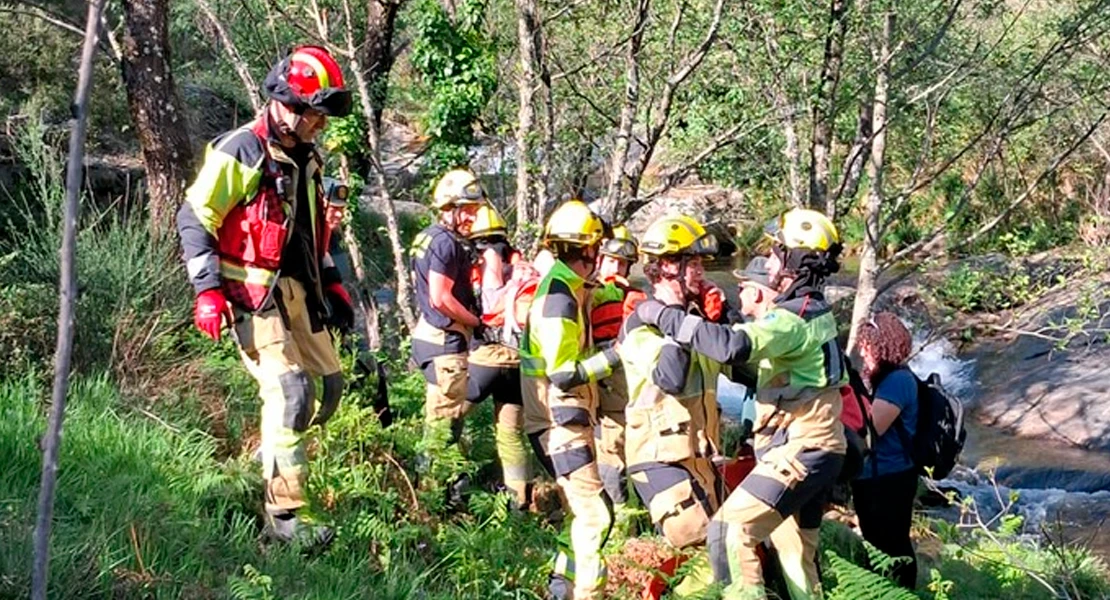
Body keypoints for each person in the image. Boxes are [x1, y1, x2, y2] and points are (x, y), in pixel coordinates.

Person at [176, 45, 353, 545]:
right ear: (288, 104)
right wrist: (207, 291)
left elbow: (311, 232)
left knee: (329, 389)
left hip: (300, 290)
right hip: (251, 295)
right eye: (315, 113)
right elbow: (194, 217)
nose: (321, 123)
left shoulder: (308, 157)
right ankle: (286, 517)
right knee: (292, 391)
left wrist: (333, 281)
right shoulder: (242, 150)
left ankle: (271, 458)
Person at [634, 208, 848, 599]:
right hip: (817, 449)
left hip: (801, 450)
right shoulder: (814, 310)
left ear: (796, 262)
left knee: (729, 531)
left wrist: (664, 316)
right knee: (796, 554)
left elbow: (733, 347)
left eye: (776, 253)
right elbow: (752, 367)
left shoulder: (791, 318)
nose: (768, 261)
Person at [521, 200, 621, 600]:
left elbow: (600, 294)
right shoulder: (558, 299)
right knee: (596, 515)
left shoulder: (573, 287)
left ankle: (561, 584)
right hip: (556, 423)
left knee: (580, 513)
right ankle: (587, 592)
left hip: (564, 420)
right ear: (589, 251)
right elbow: (563, 373)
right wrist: (616, 355)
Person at [618, 215, 724, 550]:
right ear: (665, 266)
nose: (701, 273)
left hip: (700, 457)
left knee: (725, 547)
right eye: (692, 264)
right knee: (698, 539)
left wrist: (725, 316)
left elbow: (738, 366)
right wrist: (676, 319)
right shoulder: (640, 325)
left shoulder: (695, 319)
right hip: (657, 456)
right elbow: (671, 377)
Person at [409, 168, 485, 482]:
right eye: (467, 210)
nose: (472, 218)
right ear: (449, 208)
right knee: (444, 426)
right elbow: (441, 298)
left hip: (428, 337)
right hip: (446, 344)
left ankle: (436, 489)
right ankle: (433, 496)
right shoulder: (445, 243)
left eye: (475, 211)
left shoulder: (427, 237)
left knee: (437, 420)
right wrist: (475, 321)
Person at [465, 204, 533, 507]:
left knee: (447, 416)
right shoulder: (522, 265)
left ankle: (433, 487)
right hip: (518, 363)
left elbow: (486, 305)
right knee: (511, 435)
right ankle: (520, 504)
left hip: (487, 357)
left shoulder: (482, 261)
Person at [851, 312, 919, 589]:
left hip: (891, 476)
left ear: (881, 346)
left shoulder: (898, 381)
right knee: (877, 542)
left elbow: (872, 427)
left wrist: (852, 392)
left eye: (866, 346)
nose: (862, 352)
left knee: (892, 544)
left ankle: (901, 593)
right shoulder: (885, 379)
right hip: (876, 476)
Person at [590, 225, 643, 516]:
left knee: (613, 441)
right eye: (611, 260)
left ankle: (621, 513)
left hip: (618, 374)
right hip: (589, 370)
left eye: (622, 263)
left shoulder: (634, 297)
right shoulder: (585, 292)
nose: (617, 267)